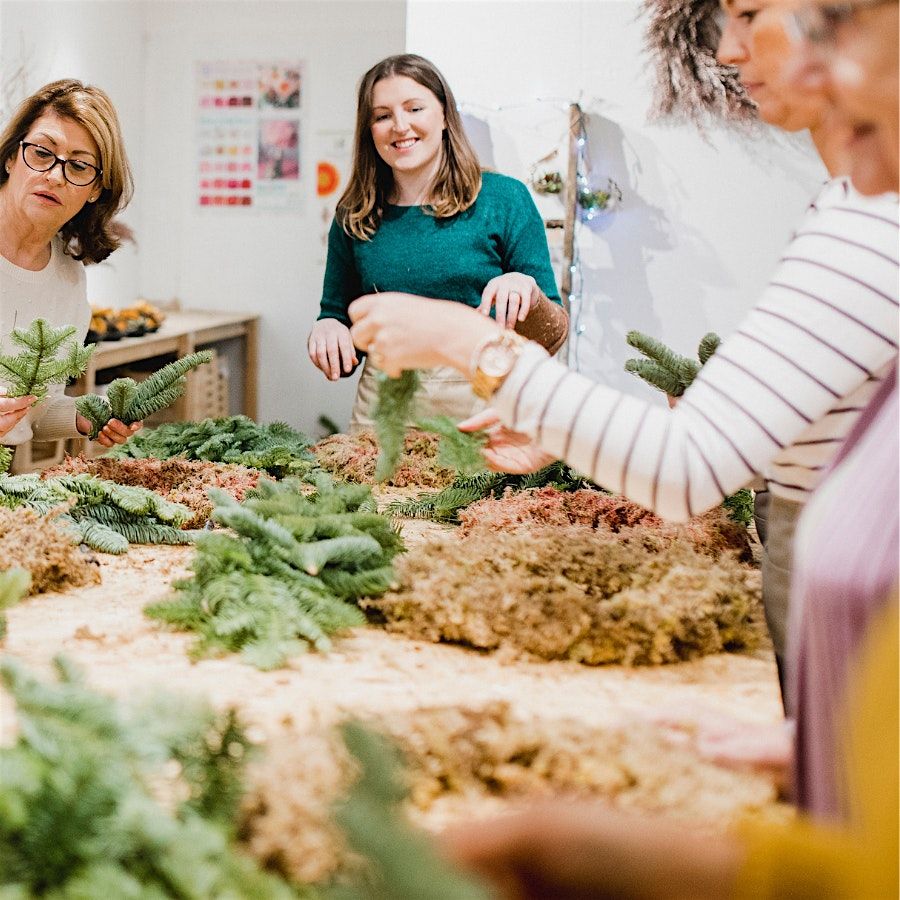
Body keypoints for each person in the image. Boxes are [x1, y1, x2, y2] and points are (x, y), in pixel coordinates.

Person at [347, 7, 898, 695]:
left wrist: (468, 342)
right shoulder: (845, 206)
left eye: (751, 13)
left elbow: (689, 465)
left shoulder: (875, 225)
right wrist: (563, 429)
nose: (726, 48)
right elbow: (748, 437)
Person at [307, 54, 565, 430]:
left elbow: (552, 336)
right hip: (384, 426)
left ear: (444, 116)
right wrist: (328, 328)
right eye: (382, 116)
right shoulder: (354, 214)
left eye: (415, 108)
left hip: (487, 419)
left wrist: (525, 287)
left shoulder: (503, 199)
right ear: (369, 130)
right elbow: (341, 322)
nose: (400, 126)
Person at [0, 79, 141, 452]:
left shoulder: (67, 276)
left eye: (78, 166)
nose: (54, 175)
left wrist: (86, 415)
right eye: (42, 153)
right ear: (12, 156)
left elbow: (37, 410)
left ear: (96, 189)